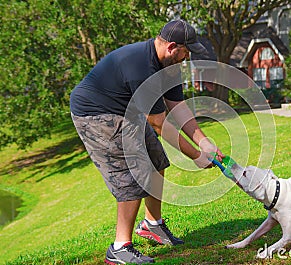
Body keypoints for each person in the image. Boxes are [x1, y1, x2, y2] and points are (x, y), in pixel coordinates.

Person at [70, 19, 224, 264]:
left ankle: (152, 225)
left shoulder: (171, 66)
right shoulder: (141, 67)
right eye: (187, 51)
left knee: (156, 159)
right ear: (173, 47)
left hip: (126, 109)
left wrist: (205, 144)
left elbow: (178, 107)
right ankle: (120, 248)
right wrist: (195, 156)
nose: (188, 57)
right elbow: (159, 124)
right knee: (131, 173)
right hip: (96, 113)